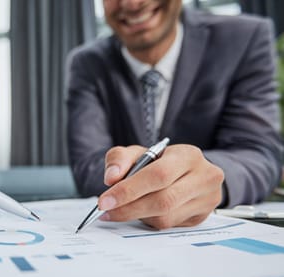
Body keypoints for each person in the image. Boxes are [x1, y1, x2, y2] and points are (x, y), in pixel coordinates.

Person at [66, 0, 282, 229]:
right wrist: (135, 175)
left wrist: (208, 179)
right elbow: (88, 166)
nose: (131, 3)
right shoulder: (86, 63)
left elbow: (259, 154)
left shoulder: (243, 38)